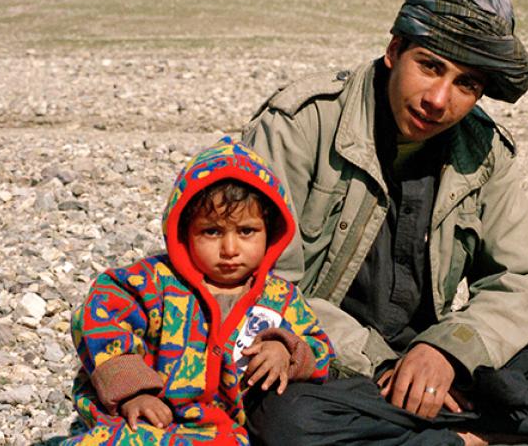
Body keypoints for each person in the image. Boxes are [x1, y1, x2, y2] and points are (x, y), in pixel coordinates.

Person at [242, 0, 528, 444]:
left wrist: (447, 352)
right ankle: (494, 435)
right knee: (283, 419)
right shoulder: (301, 125)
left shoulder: (482, 149)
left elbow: (526, 279)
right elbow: (265, 285)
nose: (439, 100)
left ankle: (426, 428)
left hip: (437, 371)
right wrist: (387, 366)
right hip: (326, 360)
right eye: (430, 66)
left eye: (466, 83)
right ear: (394, 51)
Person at [62, 138, 334, 445]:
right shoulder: (153, 282)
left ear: (269, 232)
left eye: (246, 231)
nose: (230, 249)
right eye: (212, 231)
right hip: (149, 421)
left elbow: (320, 348)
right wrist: (133, 393)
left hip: (235, 433)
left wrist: (287, 351)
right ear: (183, 231)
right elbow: (98, 317)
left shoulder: (281, 298)